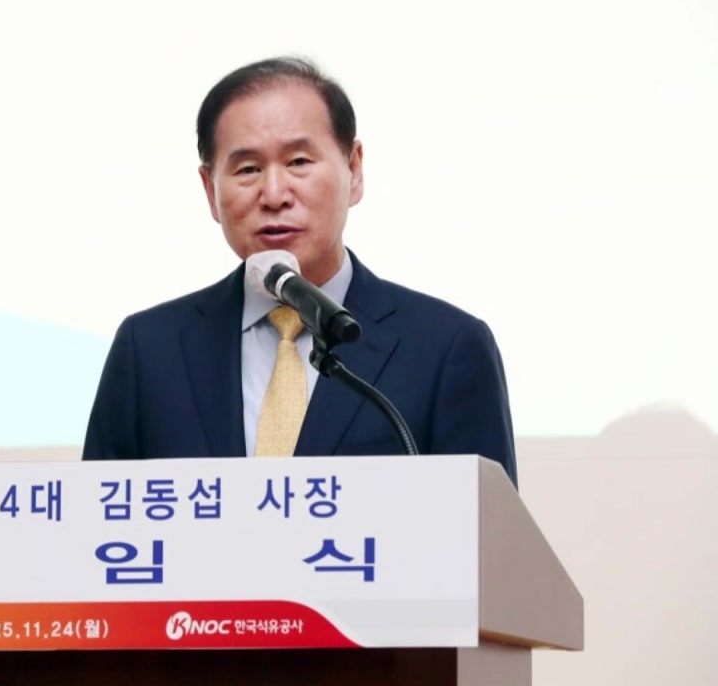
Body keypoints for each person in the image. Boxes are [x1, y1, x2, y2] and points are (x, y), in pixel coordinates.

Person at [81, 56, 518, 487]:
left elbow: (485, 528)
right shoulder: (149, 350)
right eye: (248, 169)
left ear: (354, 169)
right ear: (210, 191)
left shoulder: (447, 347)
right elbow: (97, 518)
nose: (274, 195)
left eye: (299, 162)